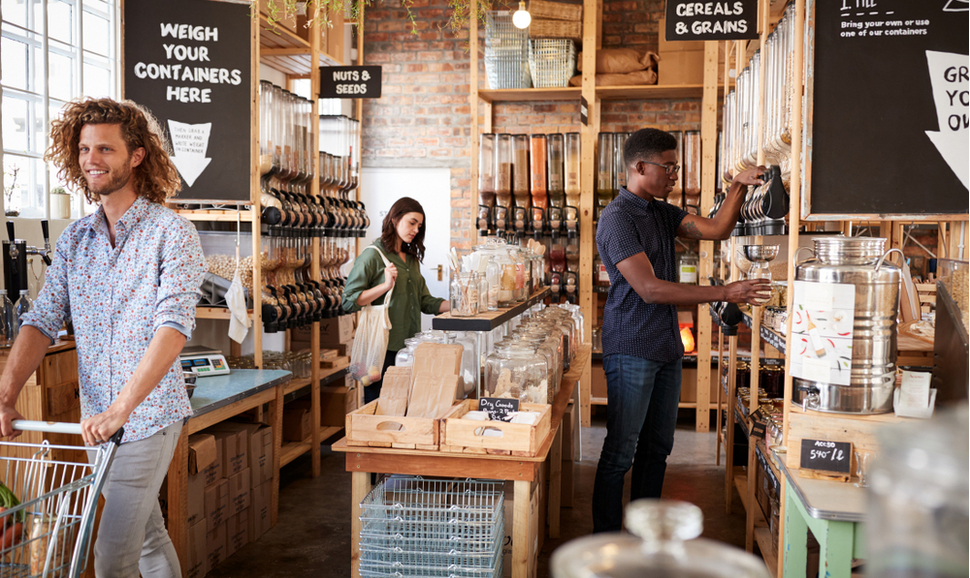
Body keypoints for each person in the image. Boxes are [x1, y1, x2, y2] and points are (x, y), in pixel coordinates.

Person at [0, 98, 205, 576]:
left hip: (147, 417)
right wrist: (7, 394)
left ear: (136, 156)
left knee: (112, 557)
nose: (92, 159)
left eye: (106, 149)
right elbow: (41, 320)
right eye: (85, 148)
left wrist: (121, 409)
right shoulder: (75, 240)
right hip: (98, 423)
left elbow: (172, 327)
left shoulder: (171, 233)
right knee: (149, 539)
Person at [592, 128, 770, 533]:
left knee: (657, 449)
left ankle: (642, 535)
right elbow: (650, 290)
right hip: (632, 347)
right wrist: (725, 291)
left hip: (667, 348)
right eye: (668, 167)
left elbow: (717, 229)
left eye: (676, 166)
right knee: (621, 452)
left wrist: (736, 187)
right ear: (640, 167)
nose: (675, 174)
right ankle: (605, 541)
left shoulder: (661, 211)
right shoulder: (617, 218)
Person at [342, 196, 449, 404]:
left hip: (410, 347)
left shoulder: (411, 260)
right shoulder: (372, 256)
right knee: (379, 406)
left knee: (405, 406)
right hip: (382, 349)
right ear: (394, 219)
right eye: (412, 223)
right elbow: (348, 301)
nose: (416, 230)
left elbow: (426, 302)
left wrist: (459, 304)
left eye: (419, 225)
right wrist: (384, 286)